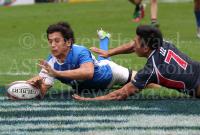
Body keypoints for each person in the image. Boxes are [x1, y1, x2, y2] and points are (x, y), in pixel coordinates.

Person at [28, 22, 160, 97]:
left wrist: (57, 73)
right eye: (50, 41)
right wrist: (38, 84)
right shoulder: (50, 62)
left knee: (150, 83)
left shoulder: (80, 51)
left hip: (111, 74)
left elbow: (88, 73)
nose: (52, 45)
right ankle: (104, 39)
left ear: (68, 42)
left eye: (57, 41)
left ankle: (104, 40)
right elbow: (43, 90)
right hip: (93, 78)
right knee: (102, 59)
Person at [72, 25, 200, 101]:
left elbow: (120, 94)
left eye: (136, 42)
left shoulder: (151, 70)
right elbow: (132, 46)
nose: (133, 45)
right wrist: (109, 53)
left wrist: (91, 99)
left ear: (145, 49)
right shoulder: (162, 42)